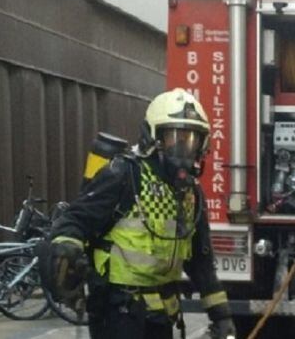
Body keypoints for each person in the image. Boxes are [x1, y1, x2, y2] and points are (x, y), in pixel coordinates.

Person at [46, 89, 236, 339]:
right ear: (153, 137)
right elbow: (75, 220)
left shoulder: (191, 195)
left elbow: (200, 263)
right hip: (117, 313)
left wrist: (221, 317)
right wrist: (67, 248)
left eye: (192, 140)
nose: (183, 148)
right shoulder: (125, 175)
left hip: (161, 314)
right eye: (174, 138)